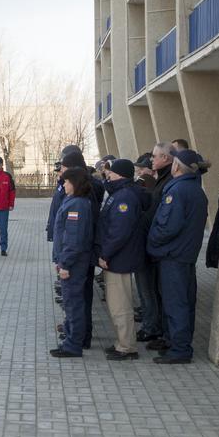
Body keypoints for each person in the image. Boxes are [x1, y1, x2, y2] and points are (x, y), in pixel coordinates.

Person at [147, 148, 209, 364]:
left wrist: (151, 241)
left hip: (173, 256)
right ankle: (178, 344)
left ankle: (180, 349)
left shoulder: (178, 191)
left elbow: (167, 226)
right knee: (184, 302)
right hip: (185, 255)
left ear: (176, 166)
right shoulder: (194, 189)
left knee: (176, 304)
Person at [98, 159, 148, 360]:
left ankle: (127, 347)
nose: (108, 175)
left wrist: (105, 254)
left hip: (119, 258)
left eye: (111, 173)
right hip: (118, 257)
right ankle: (123, 341)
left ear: (121, 175)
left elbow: (119, 231)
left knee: (121, 304)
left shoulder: (124, 197)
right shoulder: (119, 193)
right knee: (116, 303)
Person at [50, 166, 95, 358]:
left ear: (74, 184)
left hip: (74, 262)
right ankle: (70, 338)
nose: (64, 184)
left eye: (66, 181)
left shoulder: (77, 205)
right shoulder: (74, 201)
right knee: (71, 302)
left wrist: (65, 264)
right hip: (70, 260)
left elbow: (74, 239)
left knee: (73, 303)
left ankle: (73, 344)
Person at [138, 142, 175, 348]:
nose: (151, 160)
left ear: (166, 159)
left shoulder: (166, 182)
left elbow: (162, 218)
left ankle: (155, 328)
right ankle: (156, 327)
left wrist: (153, 241)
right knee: (152, 290)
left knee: (153, 290)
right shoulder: (162, 179)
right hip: (153, 244)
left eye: (154, 156)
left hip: (158, 247)